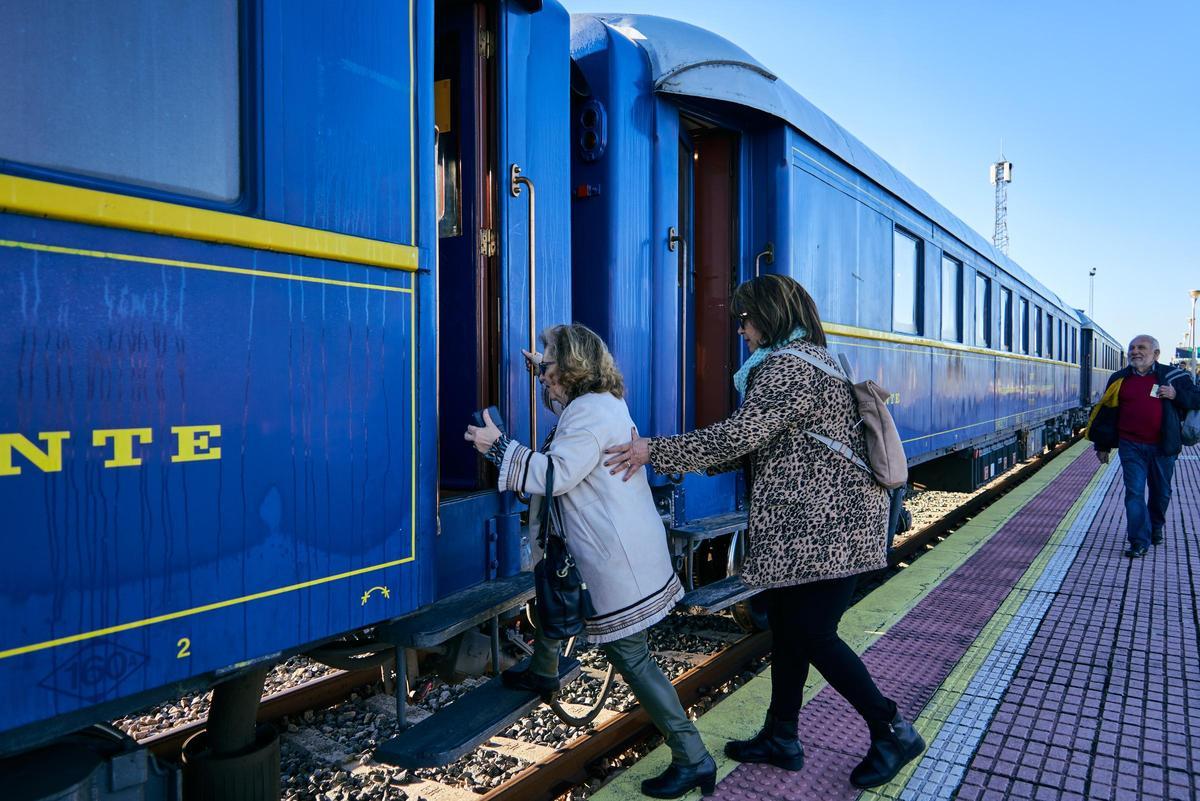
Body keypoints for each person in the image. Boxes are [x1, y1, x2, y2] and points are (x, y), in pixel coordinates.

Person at [604, 275, 924, 789]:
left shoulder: (784, 368)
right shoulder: (816, 359)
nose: (742, 330)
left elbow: (737, 438)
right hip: (818, 529)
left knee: (813, 635)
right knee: (789, 628)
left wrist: (652, 451)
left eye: (748, 319)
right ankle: (782, 735)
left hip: (826, 533)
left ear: (771, 317)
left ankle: (893, 730)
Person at [464, 323, 715, 799]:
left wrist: (497, 447)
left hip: (617, 557)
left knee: (633, 658)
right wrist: (543, 367)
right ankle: (542, 670)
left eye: (549, 365)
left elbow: (555, 474)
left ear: (573, 367)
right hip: (618, 544)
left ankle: (694, 758)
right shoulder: (600, 404)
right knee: (554, 592)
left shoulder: (587, 413)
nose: (542, 376)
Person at [1086, 334, 1200, 558]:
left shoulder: (1174, 376)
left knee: (1161, 493)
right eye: (1132, 348)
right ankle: (1139, 540)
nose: (1135, 352)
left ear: (1156, 354)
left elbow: (1197, 398)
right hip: (1131, 446)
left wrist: (1177, 395)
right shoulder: (1119, 379)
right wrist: (1102, 445)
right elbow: (1108, 414)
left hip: (1163, 446)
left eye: (1141, 348)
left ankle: (1155, 526)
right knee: (1134, 493)